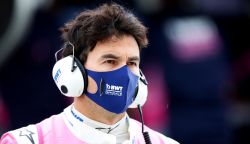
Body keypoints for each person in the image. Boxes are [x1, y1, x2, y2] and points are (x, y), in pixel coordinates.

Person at [0, 3, 179, 144]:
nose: (124, 73)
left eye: (132, 63)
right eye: (110, 61)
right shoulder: (26, 141)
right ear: (74, 73)